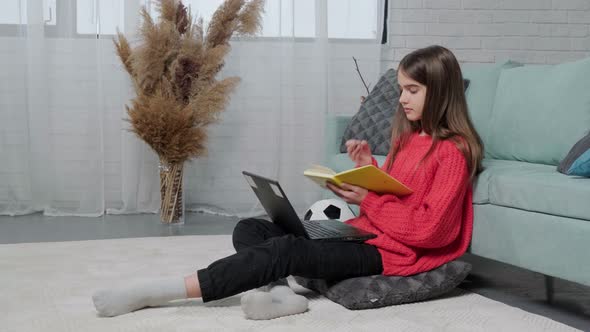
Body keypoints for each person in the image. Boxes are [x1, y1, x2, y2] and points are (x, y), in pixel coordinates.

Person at [92, 45, 484, 319]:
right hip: (363, 234)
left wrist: (369, 198)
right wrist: (366, 171)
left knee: (284, 249)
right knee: (251, 227)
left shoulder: (452, 151)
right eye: (401, 89)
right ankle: (279, 295)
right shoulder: (409, 139)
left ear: (442, 92)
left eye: (412, 90)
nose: (402, 98)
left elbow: (430, 230)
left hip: (392, 255)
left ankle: (157, 292)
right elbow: (397, 198)